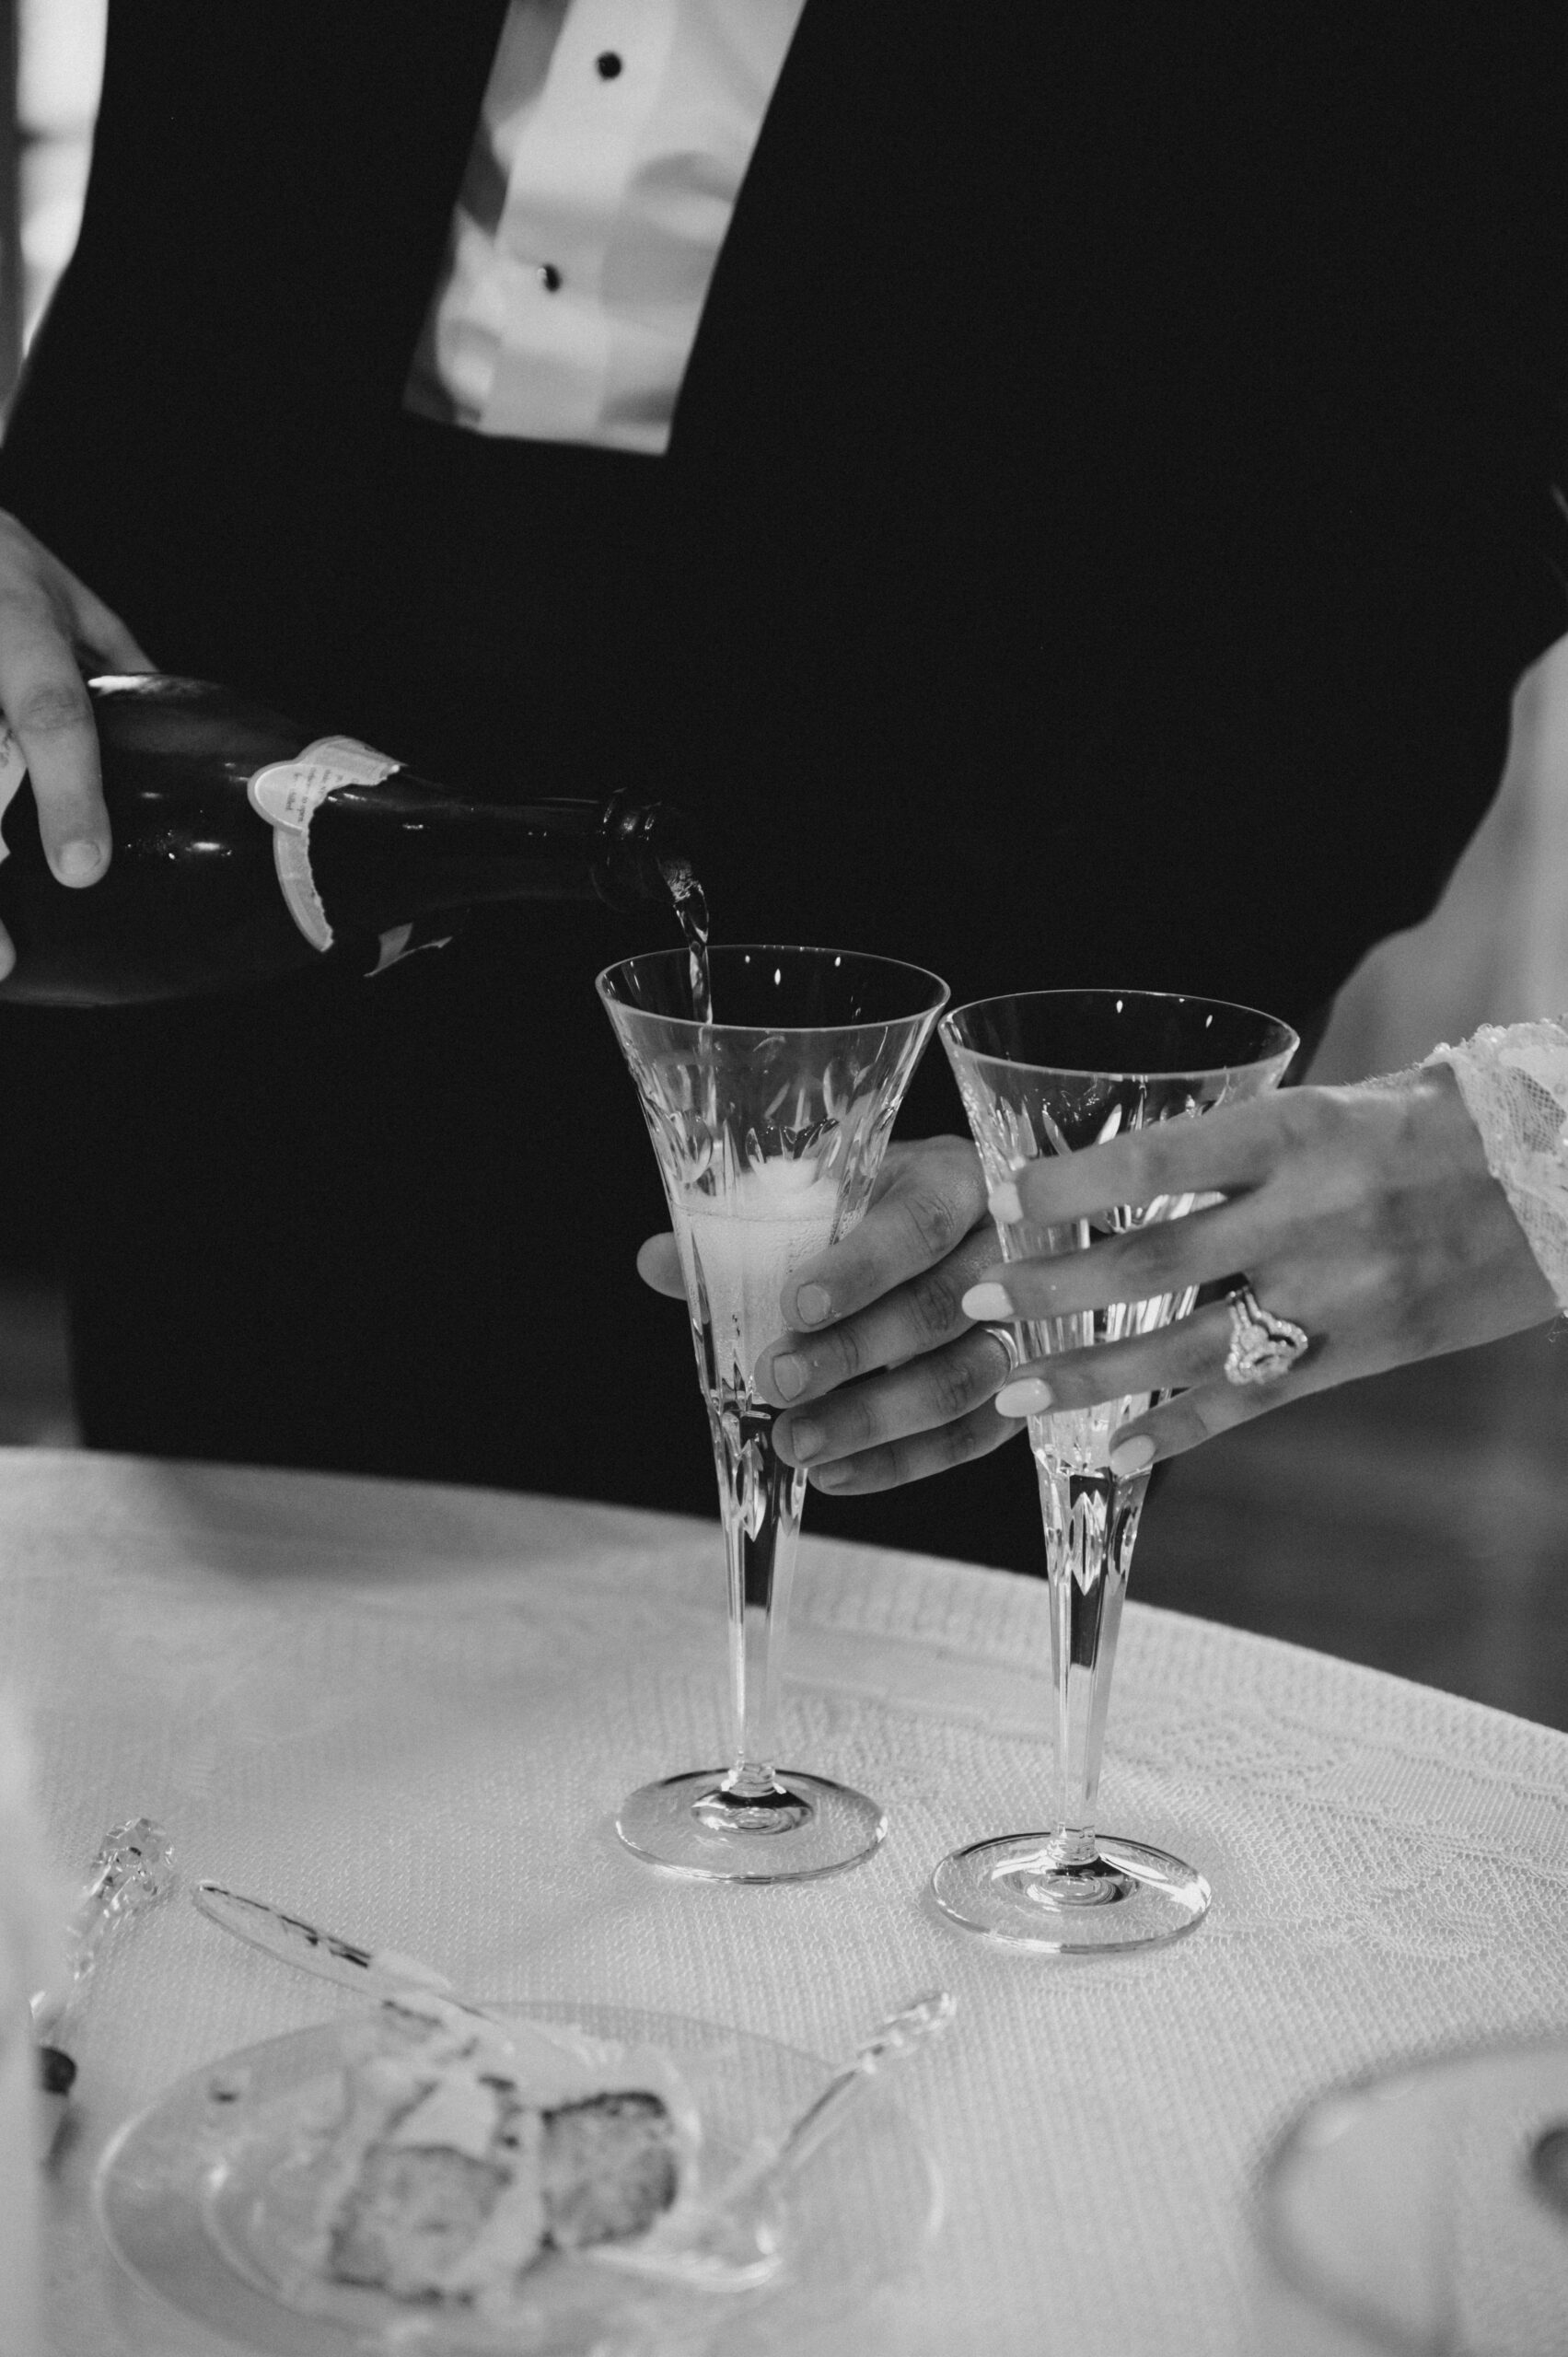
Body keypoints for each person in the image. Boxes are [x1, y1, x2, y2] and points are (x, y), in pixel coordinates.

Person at [0, 6, 1564, 1575]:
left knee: (854, 1706)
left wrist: (1130, 1064)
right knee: (221, 1705)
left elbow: (1429, 479)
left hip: (965, 929)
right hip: (227, 853)